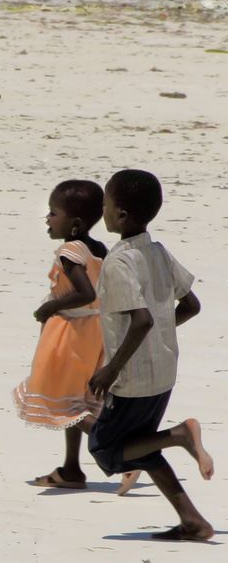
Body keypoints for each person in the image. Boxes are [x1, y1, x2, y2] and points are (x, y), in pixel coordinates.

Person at [87, 169, 213, 541]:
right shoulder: (157, 252)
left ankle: (180, 435)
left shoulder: (119, 263)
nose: (103, 210)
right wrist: (162, 331)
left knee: (107, 451)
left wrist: (110, 368)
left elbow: (140, 321)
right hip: (164, 370)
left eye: (106, 204)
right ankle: (193, 521)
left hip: (133, 378)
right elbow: (191, 305)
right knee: (141, 445)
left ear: (121, 214)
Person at [14, 180, 107, 490]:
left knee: (65, 405)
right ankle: (71, 468)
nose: (47, 219)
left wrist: (49, 308)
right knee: (75, 398)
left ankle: (126, 452)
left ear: (75, 223)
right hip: (94, 330)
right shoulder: (99, 249)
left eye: (53, 213)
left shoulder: (70, 250)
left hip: (70, 332)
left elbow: (84, 292)